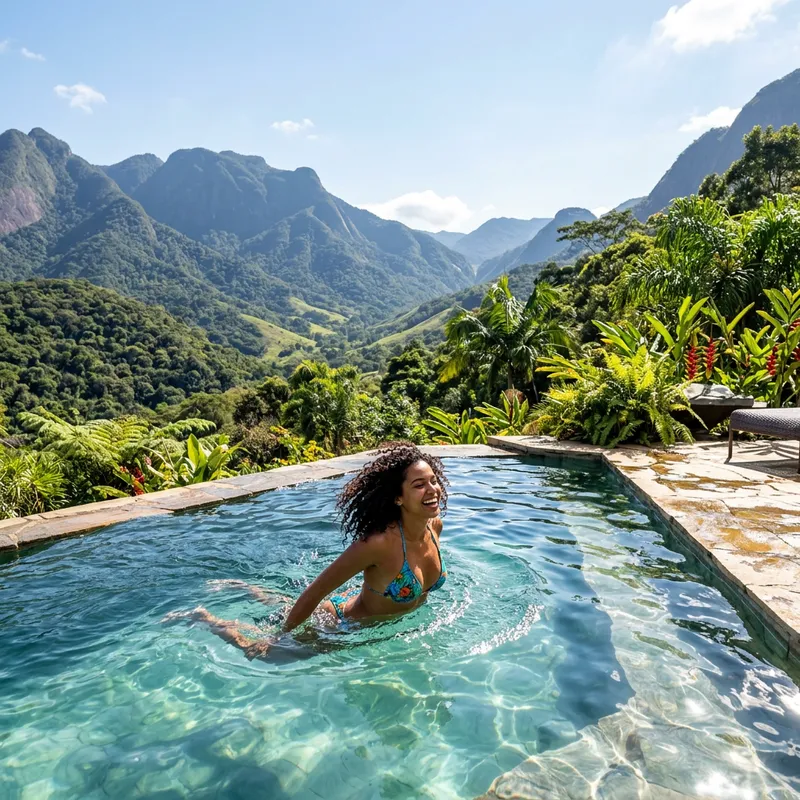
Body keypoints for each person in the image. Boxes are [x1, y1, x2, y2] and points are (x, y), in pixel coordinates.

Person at [164, 442, 449, 660]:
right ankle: (206, 619)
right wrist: (281, 638)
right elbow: (315, 591)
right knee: (266, 655)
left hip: (375, 619)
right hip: (341, 626)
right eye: (419, 485)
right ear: (398, 497)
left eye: (434, 480)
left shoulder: (434, 528)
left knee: (284, 612)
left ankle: (250, 590)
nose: (432, 489)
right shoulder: (378, 543)